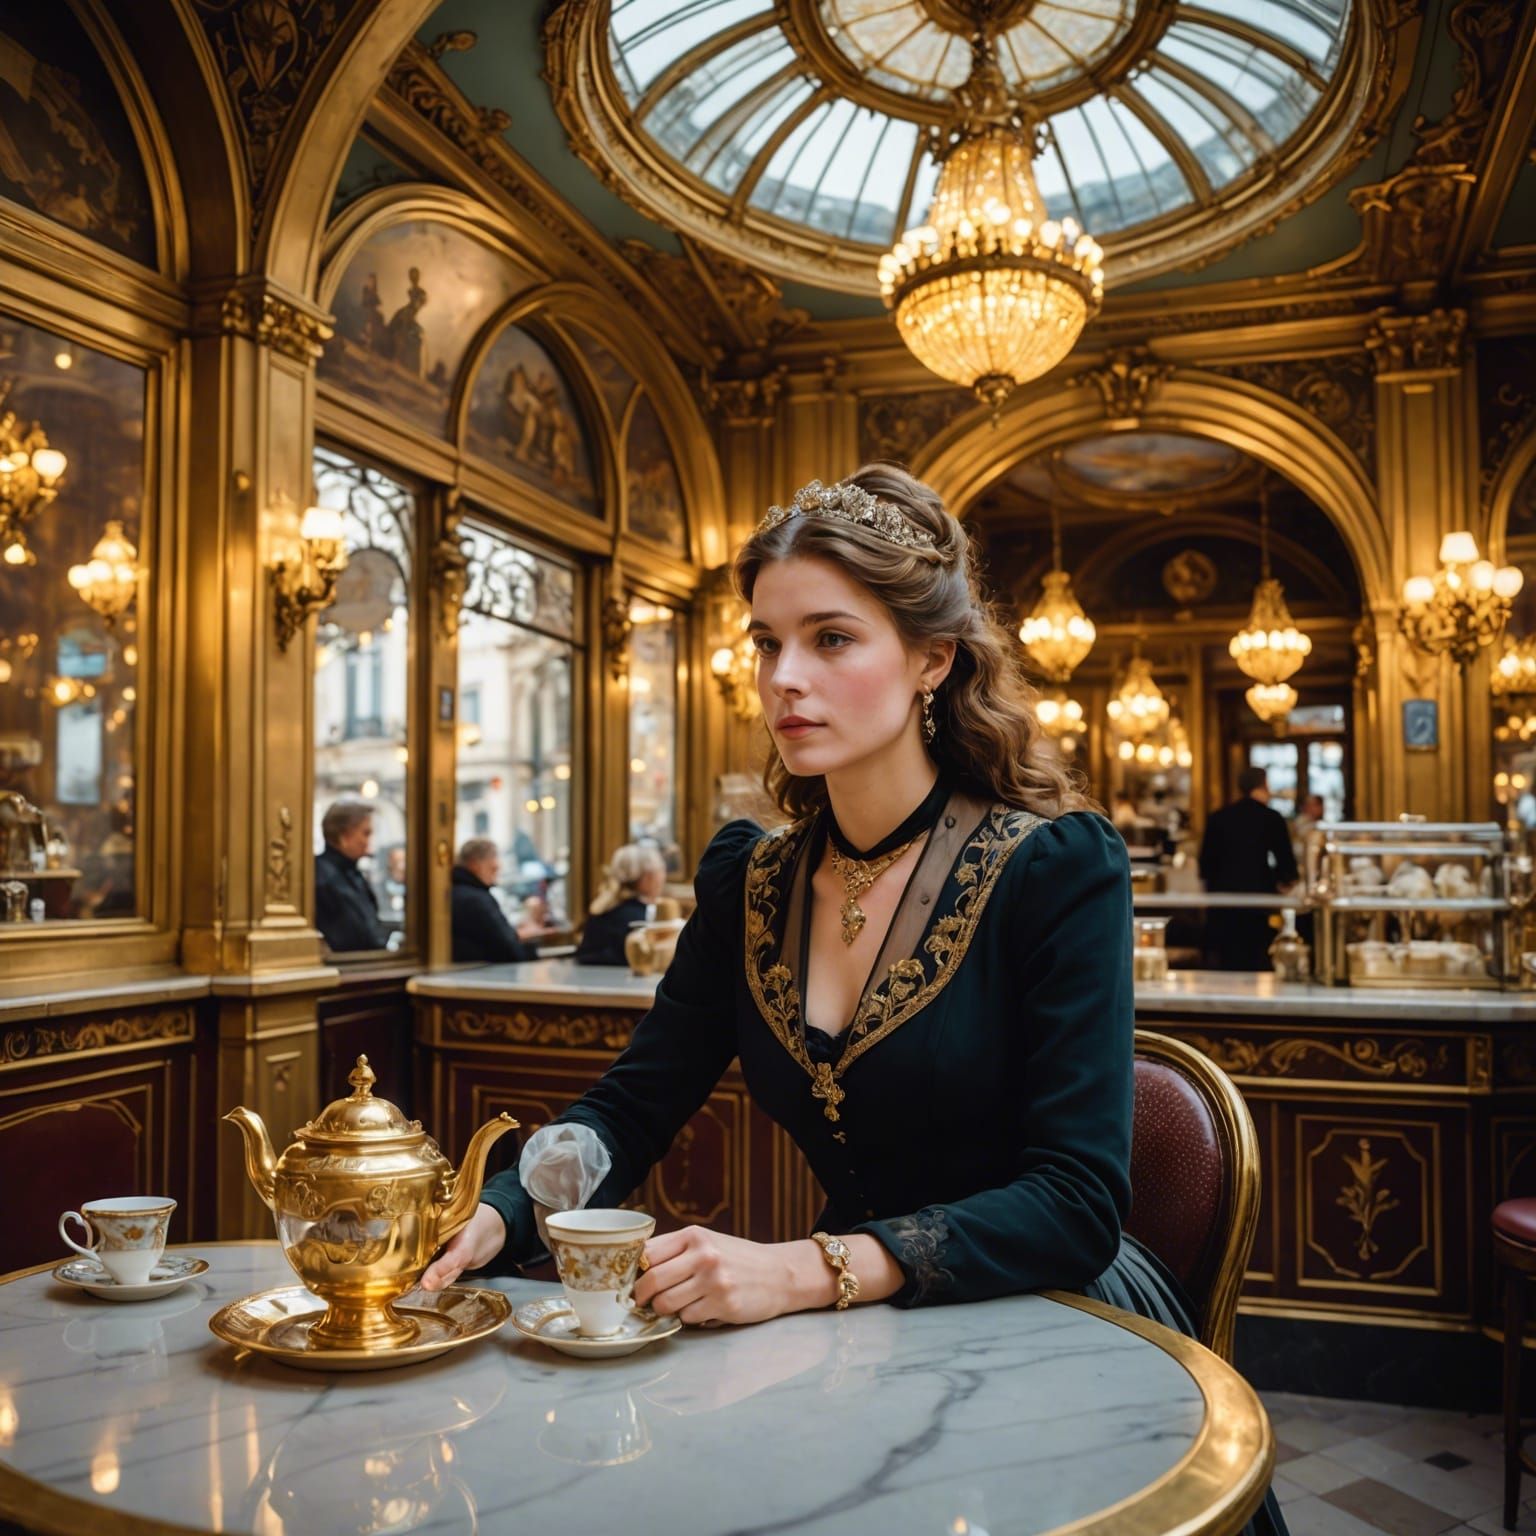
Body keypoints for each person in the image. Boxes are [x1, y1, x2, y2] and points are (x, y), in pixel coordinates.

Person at [422, 466, 1288, 1536]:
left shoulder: (1056, 865)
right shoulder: (751, 878)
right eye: (766, 643)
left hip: (1055, 1314)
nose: (785, 678)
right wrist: (503, 1207)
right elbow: (632, 1105)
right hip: (850, 1322)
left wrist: (805, 1268)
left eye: (831, 639)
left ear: (932, 659)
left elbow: (1074, 1201)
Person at [1198, 766, 1300, 971]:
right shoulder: (1272, 818)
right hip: (1258, 904)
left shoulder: (1218, 818)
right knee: (1257, 960)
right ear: (1264, 785)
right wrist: (1284, 883)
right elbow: (1286, 865)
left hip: (1222, 902)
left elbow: (1205, 865)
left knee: (1227, 962)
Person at [573, 843, 666, 965]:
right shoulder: (644, 918)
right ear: (647, 877)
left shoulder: (600, 909)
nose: (663, 877)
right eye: (660, 870)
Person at [315, 798, 387, 953]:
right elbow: (353, 933)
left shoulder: (353, 874)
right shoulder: (323, 875)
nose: (368, 841)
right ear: (344, 836)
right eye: (365, 833)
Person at [451, 837, 536, 964]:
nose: (498, 866)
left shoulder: (457, 892)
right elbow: (508, 949)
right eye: (493, 864)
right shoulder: (476, 900)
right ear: (475, 864)